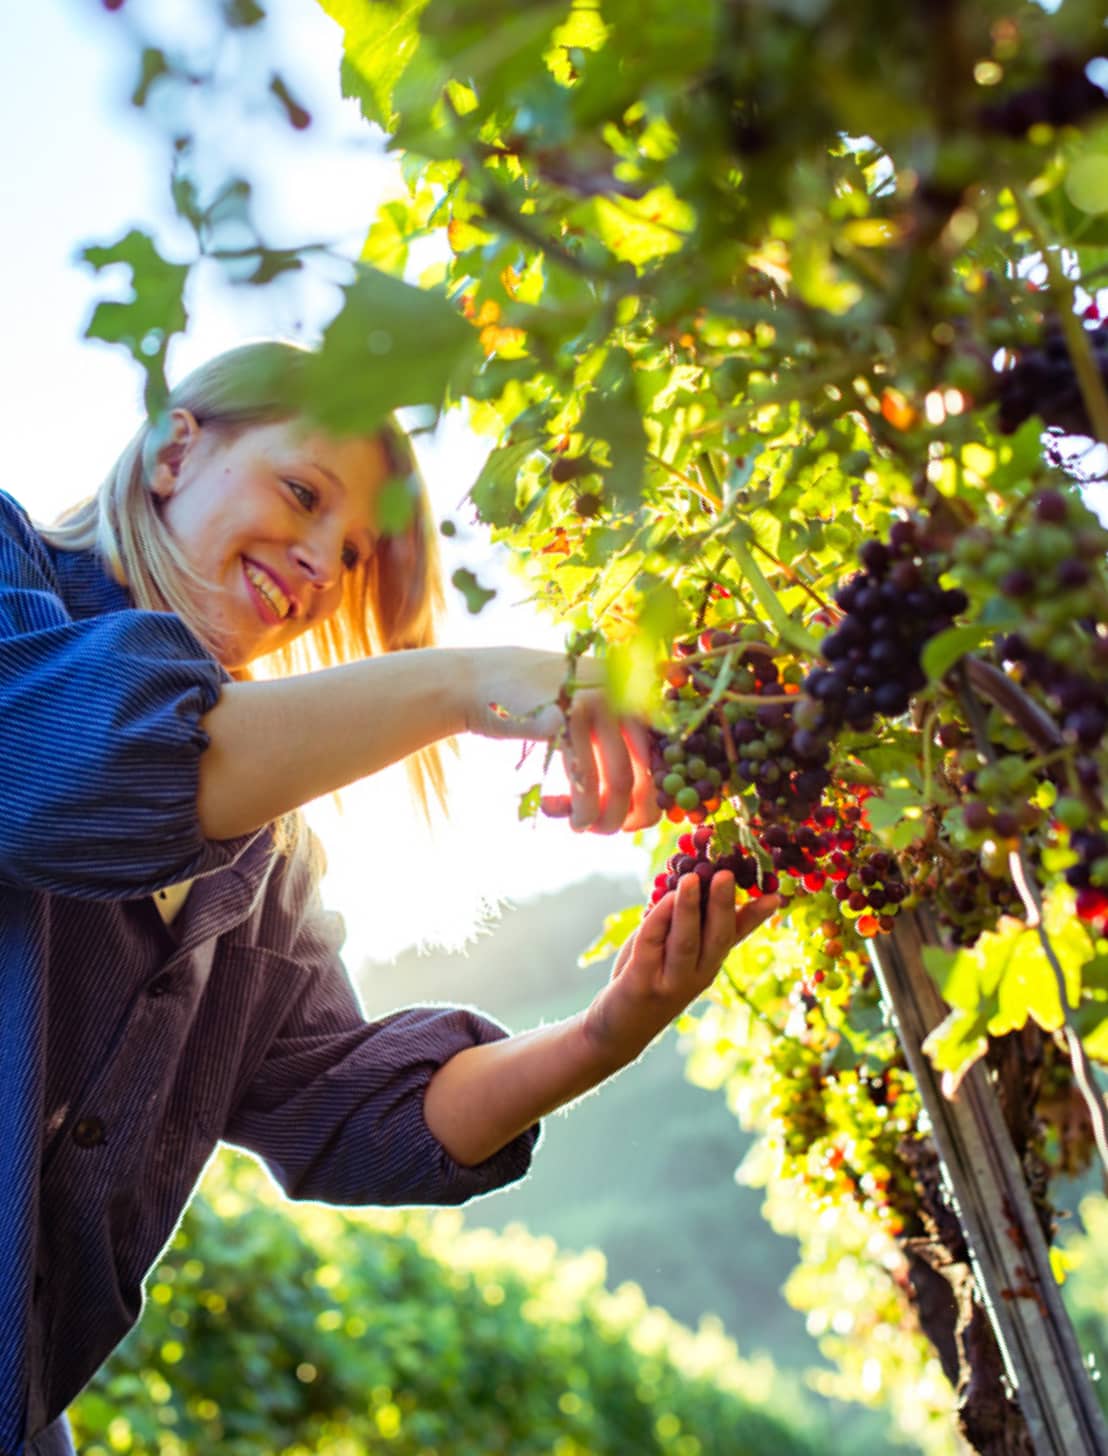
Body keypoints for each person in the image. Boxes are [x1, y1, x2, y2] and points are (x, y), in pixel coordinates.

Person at [0, 340, 778, 1455]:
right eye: (302, 493)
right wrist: (468, 681)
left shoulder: (270, 867)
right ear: (176, 451)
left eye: (354, 554)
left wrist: (613, 1027)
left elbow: (355, 1111)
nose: (321, 564)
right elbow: (77, 770)